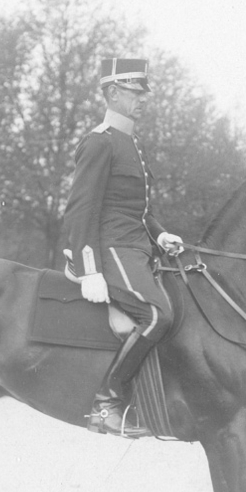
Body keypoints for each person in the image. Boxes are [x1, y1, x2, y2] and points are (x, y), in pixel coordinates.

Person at [61, 58, 183, 437]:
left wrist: (160, 235)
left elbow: (136, 208)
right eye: (135, 92)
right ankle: (106, 402)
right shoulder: (100, 142)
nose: (143, 99)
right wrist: (90, 269)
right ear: (113, 93)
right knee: (156, 314)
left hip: (136, 248)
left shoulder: (130, 142)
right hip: (110, 248)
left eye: (144, 92)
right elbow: (81, 209)